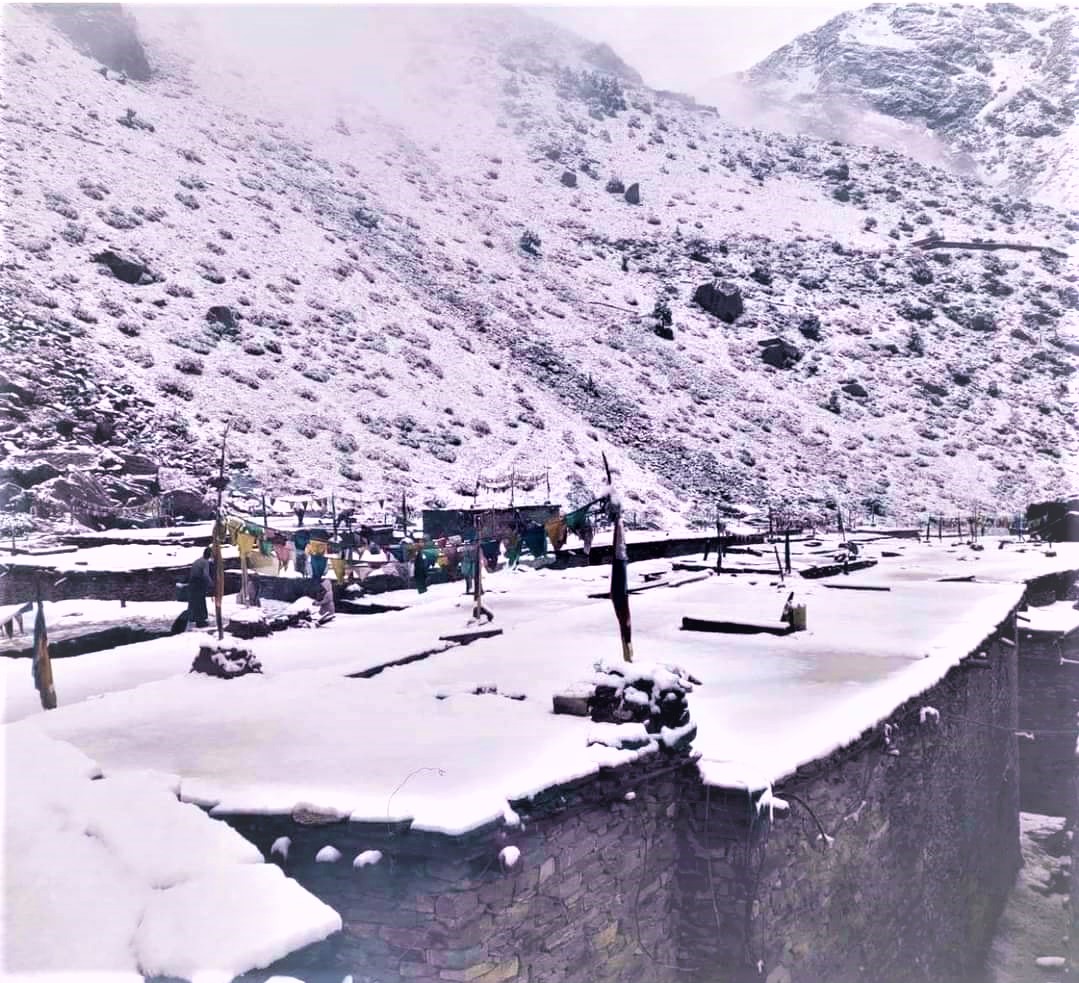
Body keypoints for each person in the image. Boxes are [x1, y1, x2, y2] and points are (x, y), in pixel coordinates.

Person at [187, 547, 213, 628]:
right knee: (200, 602)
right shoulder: (205, 562)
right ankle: (200, 620)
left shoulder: (198, 560)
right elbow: (205, 575)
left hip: (192, 583)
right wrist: (211, 583)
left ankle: (193, 618)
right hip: (198, 583)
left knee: (194, 601)